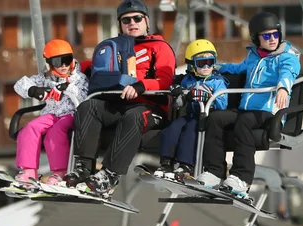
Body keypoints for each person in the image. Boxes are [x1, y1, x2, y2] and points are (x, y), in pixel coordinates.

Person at [64, 0, 176, 197]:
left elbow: (165, 79)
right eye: (126, 20)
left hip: (149, 106)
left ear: (147, 21)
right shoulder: (114, 48)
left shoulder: (158, 46)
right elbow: (94, 66)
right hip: (118, 103)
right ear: (120, 24)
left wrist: (141, 87)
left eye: (137, 18)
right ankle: (84, 167)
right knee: (88, 106)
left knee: (134, 116)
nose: (132, 23)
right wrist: (67, 69)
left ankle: (109, 175)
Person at [198, 11, 300, 202]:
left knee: (244, 121)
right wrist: (214, 66)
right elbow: (238, 69)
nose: (272, 39)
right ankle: (214, 172)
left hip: (269, 113)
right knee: (216, 118)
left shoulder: (286, 56)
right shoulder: (253, 56)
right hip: (247, 110)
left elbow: (289, 72)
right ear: (256, 38)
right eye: (266, 36)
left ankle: (242, 178)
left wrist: (283, 89)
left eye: (275, 34)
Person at [13, 38, 89, 185]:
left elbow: (83, 96)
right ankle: (28, 171)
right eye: (58, 62)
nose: (64, 66)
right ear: (49, 63)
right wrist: (34, 90)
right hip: (51, 114)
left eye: (67, 60)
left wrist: (66, 88)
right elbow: (20, 84)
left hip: (71, 114)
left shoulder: (79, 78)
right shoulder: (46, 78)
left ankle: (60, 172)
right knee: (30, 128)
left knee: (55, 132)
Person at [153, 39, 228, 182]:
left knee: (190, 130)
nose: (206, 66)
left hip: (207, 117)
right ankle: (166, 163)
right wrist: (176, 89)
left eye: (210, 62)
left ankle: (186, 165)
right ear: (192, 65)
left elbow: (222, 103)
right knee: (173, 127)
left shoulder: (218, 81)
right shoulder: (188, 79)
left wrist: (204, 96)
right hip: (191, 114)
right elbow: (175, 86)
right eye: (201, 63)